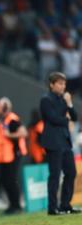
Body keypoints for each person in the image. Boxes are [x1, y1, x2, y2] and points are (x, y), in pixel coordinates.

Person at [40, 72, 80, 215]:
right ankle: (52, 208)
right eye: (60, 83)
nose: (63, 86)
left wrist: (69, 104)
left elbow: (74, 117)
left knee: (71, 173)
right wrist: (66, 120)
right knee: (55, 175)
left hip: (64, 140)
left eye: (64, 84)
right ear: (52, 85)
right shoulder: (45, 100)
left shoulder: (64, 100)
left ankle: (65, 205)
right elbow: (53, 118)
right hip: (53, 141)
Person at [0, 97, 28, 214]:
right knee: (5, 180)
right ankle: (12, 204)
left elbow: (23, 132)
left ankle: (16, 206)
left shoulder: (12, 119)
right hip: (5, 155)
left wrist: (9, 135)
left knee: (11, 180)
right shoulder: (3, 120)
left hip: (14, 154)